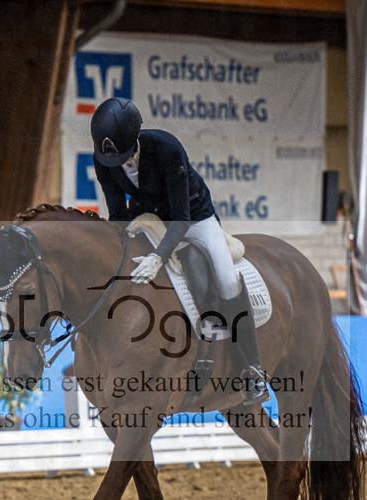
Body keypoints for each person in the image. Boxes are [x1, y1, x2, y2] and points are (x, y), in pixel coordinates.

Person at [89, 97, 267, 403]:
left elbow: (181, 218)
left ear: (135, 141)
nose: (118, 165)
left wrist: (158, 257)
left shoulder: (167, 148)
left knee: (226, 282)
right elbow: (118, 213)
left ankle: (252, 369)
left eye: (123, 157)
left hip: (194, 217)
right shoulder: (104, 159)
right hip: (148, 217)